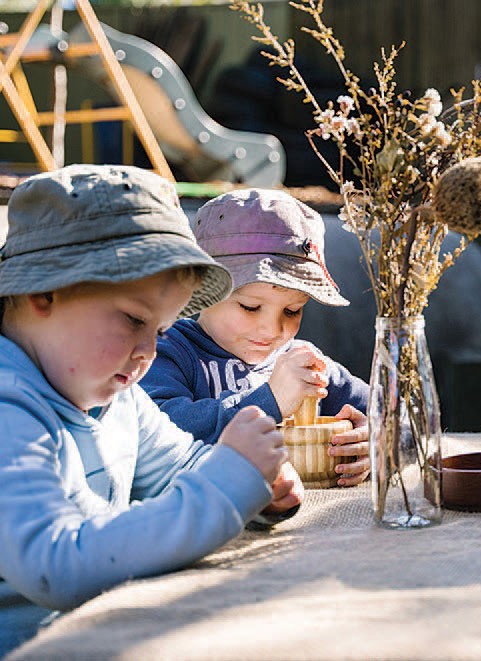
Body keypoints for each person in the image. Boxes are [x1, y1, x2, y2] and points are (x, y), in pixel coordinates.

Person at [0, 165, 302, 656]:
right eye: (133, 320)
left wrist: (256, 485)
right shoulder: (9, 404)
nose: (149, 351)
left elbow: (179, 465)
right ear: (43, 293)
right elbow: (52, 563)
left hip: (105, 632)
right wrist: (225, 487)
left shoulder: (117, 393)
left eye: (161, 331)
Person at [140, 188, 371, 487]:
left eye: (292, 310)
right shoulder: (168, 350)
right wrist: (269, 401)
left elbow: (396, 418)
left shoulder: (301, 363)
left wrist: (373, 441)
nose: (272, 330)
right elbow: (158, 431)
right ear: (198, 288)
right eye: (250, 307)